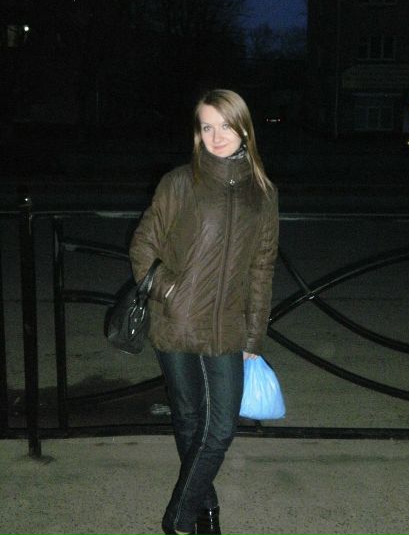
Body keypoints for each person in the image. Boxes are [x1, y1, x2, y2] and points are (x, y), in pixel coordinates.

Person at [129, 89, 279, 535]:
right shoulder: (180, 183)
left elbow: (262, 268)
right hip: (175, 322)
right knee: (189, 419)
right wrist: (171, 291)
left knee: (221, 428)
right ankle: (205, 509)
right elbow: (143, 246)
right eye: (206, 127)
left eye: (225, 125)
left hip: (228, 327)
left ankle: (177, 518)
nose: (216, 136)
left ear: (244, 129)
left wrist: (254, 337)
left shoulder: (263, 194)